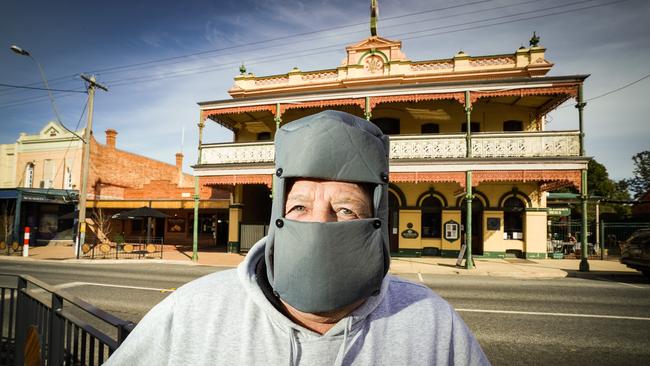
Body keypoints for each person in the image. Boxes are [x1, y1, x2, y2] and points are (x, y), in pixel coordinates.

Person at [105, 110, 489, 365]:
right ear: (278, 216)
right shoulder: (192, 310)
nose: (318, 226)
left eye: (345, 210)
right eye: (300, 208)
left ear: (376, 220)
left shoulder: (433, 323)